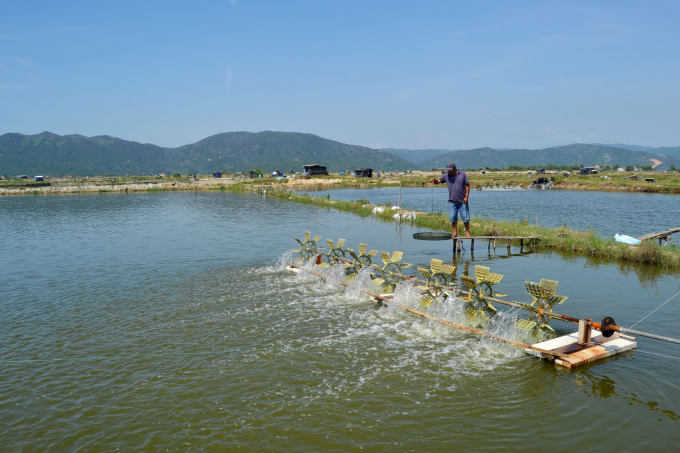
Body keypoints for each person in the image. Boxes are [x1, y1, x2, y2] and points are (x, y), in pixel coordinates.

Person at [429, 162, 471, 239]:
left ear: (455, 168)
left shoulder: (462, 174)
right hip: (452, 201)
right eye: (448, 170)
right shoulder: (446, 176)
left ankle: (467, 233)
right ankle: (455, 233)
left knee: (465, 218)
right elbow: (437, 181)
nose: (449, 172)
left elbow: (467, 185)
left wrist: (466, 197)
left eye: (450, 170)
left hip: (462, 201)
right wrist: (434, 180)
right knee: (453, 217)